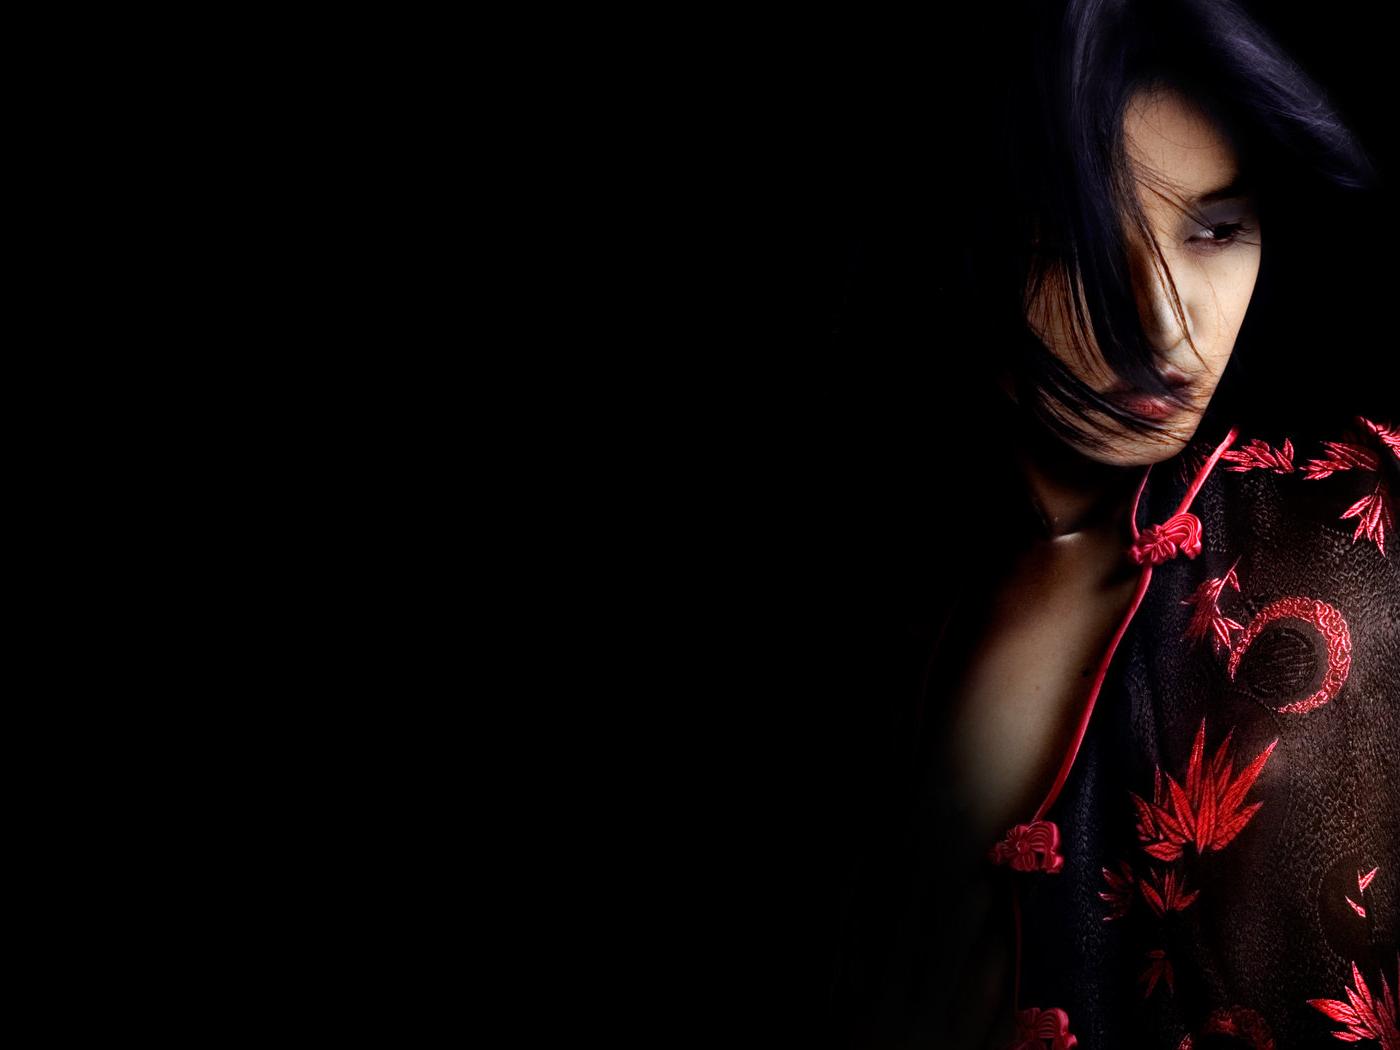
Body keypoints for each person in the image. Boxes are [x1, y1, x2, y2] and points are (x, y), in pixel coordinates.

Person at [825, 1, 1398, 1047]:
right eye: (1075, 247)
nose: (1165, 327)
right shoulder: (895, 574)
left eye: (1215, 231)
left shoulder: (1341, 540)